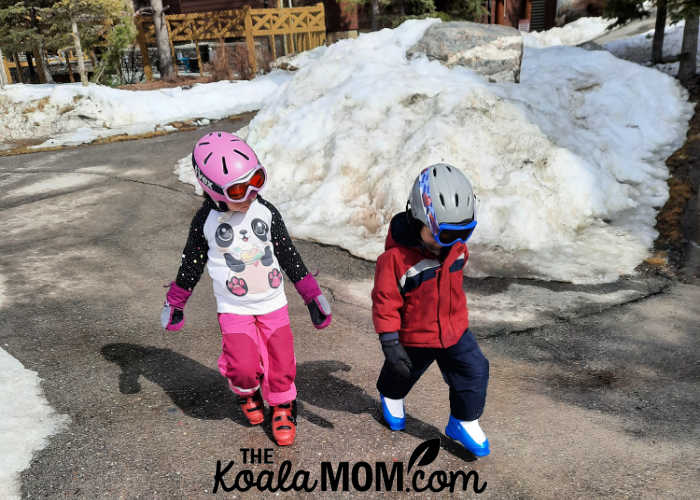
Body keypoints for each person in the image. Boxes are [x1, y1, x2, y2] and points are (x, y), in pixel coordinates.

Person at [161, 131, 332, 446]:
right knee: (243, 367)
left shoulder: (266, 213)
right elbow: (191, 264)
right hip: (234, 308)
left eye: (257, 180)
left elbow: (287, 253)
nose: (252, 193)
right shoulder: (205, 223)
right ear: (212, 190)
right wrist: (176, 301)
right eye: (240, 189)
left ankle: (282, 405)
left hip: (273, 304)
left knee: (282, 359)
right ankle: (245, 390)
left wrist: (311, 294)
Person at [371, 163, 490, 457]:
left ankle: (463, 420)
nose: (454, 243)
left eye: (465, 232)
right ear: (418, 219)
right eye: (445, 234)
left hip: (454, 329)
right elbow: (385, 300)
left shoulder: (456, 247)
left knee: (475, 370)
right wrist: (389, 339)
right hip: (415, 333)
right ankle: (390, 395)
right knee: (402, 371)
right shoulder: (395, 260)